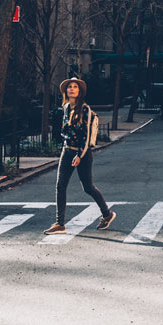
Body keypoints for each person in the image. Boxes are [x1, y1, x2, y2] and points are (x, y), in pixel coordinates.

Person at [43, 77, 115, 234]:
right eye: (69, 87)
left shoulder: (85, 110)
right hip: (67, 150)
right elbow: (65, 131)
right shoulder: (66, 107)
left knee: (88, 187)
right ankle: (59, 223)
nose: (72, 89)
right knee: (60, 186)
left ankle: (107, 214)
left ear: (80, 91)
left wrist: (79, 155)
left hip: (81, 153)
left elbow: (86, 136)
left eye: (75, 87)